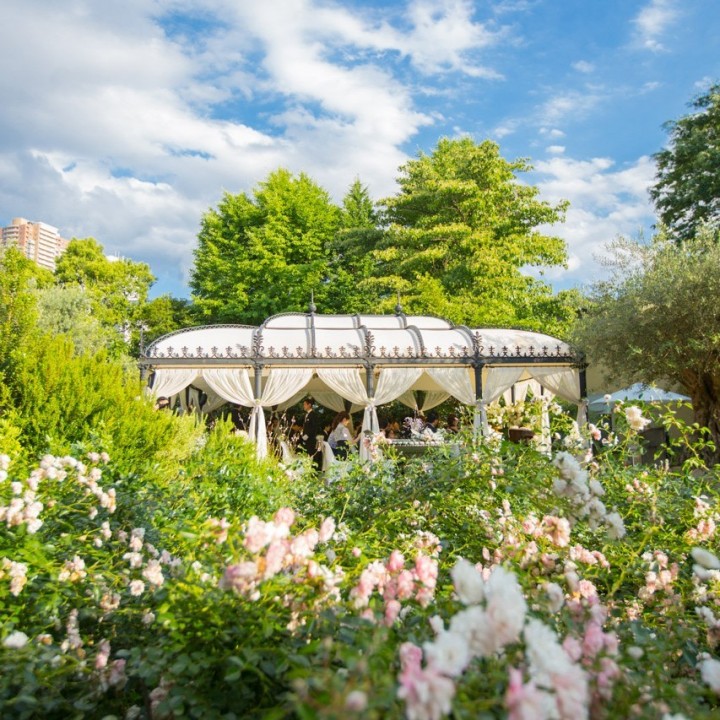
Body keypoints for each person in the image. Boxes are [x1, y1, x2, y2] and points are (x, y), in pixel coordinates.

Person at [300, 397, 323, 471]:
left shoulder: (313, 415)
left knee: (311, 455)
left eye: (305, 404)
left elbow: (313, 428)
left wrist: (305, 437)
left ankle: (312, 471)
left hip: (311, 440)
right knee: (308, 455)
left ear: (309, 405)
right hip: (307, 440)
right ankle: (308, 470)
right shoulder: (307, 415)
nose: (304, 406)